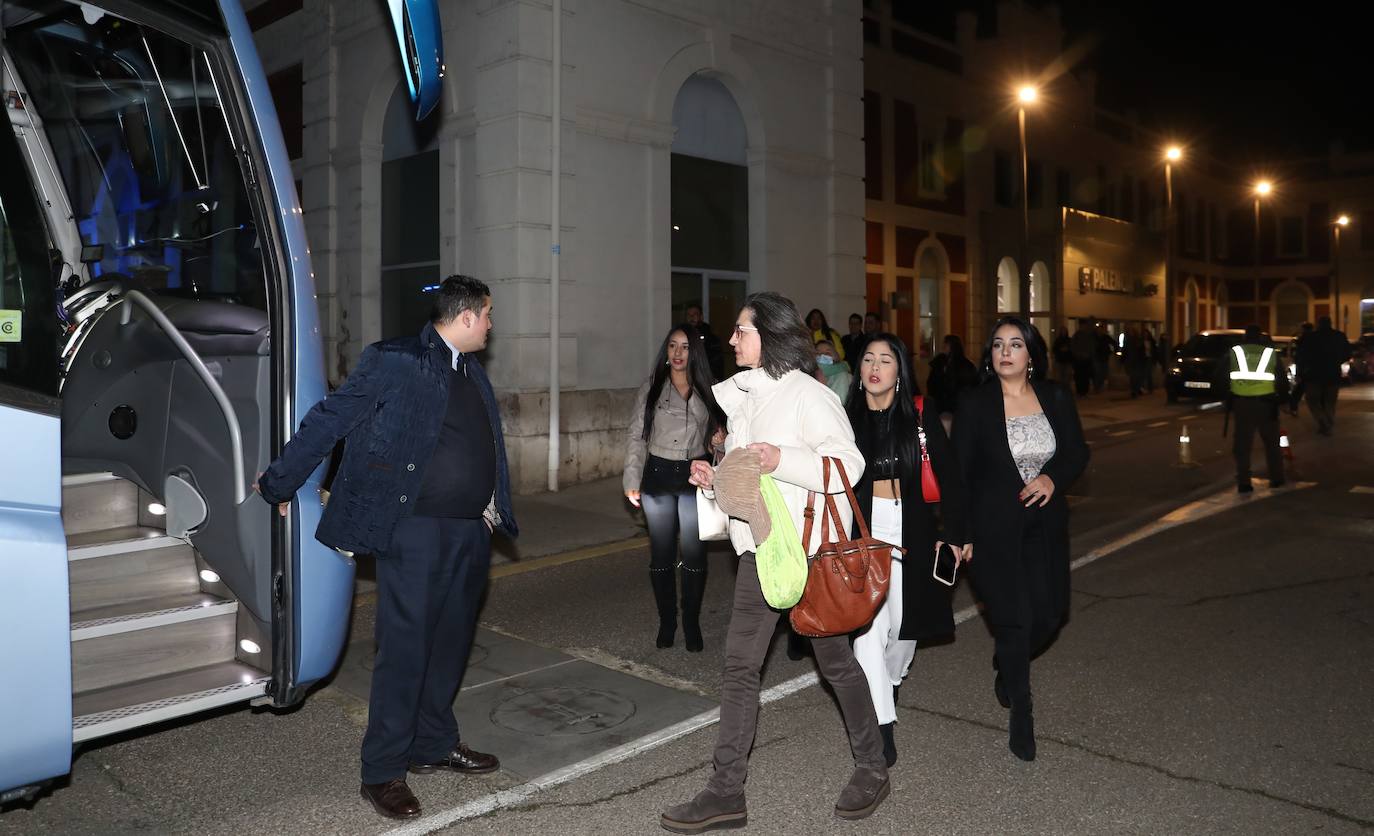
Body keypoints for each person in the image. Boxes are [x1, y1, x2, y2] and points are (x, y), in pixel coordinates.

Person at [256, 275, 516, 820]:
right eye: (488, 314)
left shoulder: (471, 373)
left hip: (468, 533)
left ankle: (432, 744)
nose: (492, 325)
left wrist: (489, 507)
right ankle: (382, 772)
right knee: (405, 651)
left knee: (449, 644)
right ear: (466, 316)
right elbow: (332, 418)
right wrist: (282, 481)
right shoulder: (396, 360)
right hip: (414, 530)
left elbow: (484, 443)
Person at [660, 292, 889, 832]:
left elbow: (848, 465)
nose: (732, 338)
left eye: (742, 330)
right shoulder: (744, 400)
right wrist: (715, 480)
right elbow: (748, 490)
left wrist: (780, 458)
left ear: (771, 336)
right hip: (759, 555)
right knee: (740, 667)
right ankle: (725, 792)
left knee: (834, 663)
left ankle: (873, 767)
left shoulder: (808, 395)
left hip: (809, 556)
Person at [953, 316, 1089, 762]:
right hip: (994, 531)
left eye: (1015, 344)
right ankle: (1022, 710)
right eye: (997, 345)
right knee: (1013, 619)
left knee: (1050, 615)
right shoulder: (974, 404)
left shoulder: (1054, 396)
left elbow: (1076, 451)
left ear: (1032, 354)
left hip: (1045, 526)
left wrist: (1053, 478)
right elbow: (959, 477)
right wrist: (961, 534)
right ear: (990, 356)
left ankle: (1006, 666)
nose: (1005, 351)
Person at [848, 333, 968, 768]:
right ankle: (881, 727)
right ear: (859, 370)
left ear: (899, 370)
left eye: (885, 359)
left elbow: (950, 476)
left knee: (904, 629)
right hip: (863, 532)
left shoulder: (920, 414)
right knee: (866, 633)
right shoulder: (844, 419)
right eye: (868, 359)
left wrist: (957, 533)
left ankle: (891, 678)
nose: (875, 366)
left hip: (911, 530)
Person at [624, 324, 727, 652]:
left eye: (684, 347)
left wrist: (719, 441)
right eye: (672, 346)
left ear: (693, 352)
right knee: (662, 555)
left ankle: (691, 621)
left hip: (693, 476)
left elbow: (719, 437)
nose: (678, 353)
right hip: (657, 475)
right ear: (666, 352)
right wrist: (631, 478)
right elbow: (637, 435)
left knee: (695, 554)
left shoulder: (708, 389)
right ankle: (667, 621)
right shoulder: (652, 387)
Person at [1227, 324, 1288, 493]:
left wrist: (1229, 396)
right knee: (1272, 444)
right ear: (1260, 337)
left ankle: (1244, 482)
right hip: (1267, 404)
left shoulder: (1235, 352)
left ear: (1245, 337)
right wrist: (1283, 400)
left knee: (1242, 446)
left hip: (1242, 404)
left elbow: (1220, 376)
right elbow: (1282, 380)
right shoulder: (1269, 353)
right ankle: (1277, 478)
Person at [1300, 316, 1351, 435]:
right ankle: (1328, 420)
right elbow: (1347, 354)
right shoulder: (1339, 336)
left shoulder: (1310, 337)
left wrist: (1302, 371)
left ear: (1318, 324)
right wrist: (1337, 360)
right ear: (1330, 323)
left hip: (1314, 373)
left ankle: (1321, 419)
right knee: (1330, 401)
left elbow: (1302, 356)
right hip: (1333, 373)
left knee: (1312, 399)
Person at [924, 333, 978, 418]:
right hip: (940, 403)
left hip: (957, 404)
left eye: (946, 344)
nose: (944, 346)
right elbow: (932, 381)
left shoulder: (964, 365)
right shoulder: (939, 361)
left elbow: (968, 384)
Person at [686, 304, 725, 381]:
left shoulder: (711, 339)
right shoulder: (682, 336)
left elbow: (717, 365)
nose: (691, 317)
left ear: (701, 317)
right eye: (689, 315)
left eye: (695, 314)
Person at [815, 338, 853, 405]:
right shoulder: (811, 375)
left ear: (836, 356)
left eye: (827, 353)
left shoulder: (842, 376)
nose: (822, 356)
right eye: (818, 353)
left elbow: (838, 404)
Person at [1069, 318, 1096, 397]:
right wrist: (1078, 354)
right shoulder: (1076, 335)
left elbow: (1092, 347)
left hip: (1086, 360)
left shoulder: (1088, 336)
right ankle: (1080, 391)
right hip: (1079, 360)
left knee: (1085, 376)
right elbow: (1073, 347)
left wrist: (1089, 355)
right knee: (1079, 376)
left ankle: (1084, 391)